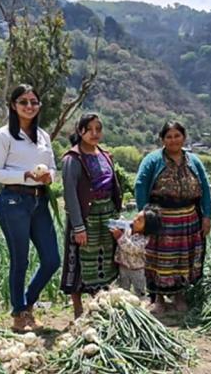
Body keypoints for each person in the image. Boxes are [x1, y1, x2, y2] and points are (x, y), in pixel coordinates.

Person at [0, 84, 60, 333]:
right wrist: (25, 175)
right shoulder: (3, 136)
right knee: (20, 259)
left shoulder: (43, 136)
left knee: (52, 259)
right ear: (13, 105)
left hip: (40, 201)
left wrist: (50, 177)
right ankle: (19, 313)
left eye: (34, 102)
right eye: (23, 102)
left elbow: (53, 167)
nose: (29, 106)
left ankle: (27, 302)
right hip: (13, 201)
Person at [135, 121, 211, 314]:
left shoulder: (193, 161)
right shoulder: (153, 160)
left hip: (188, 219)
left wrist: (207, 216)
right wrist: (145, 214)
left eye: (177, 136)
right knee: (159, 259)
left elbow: (205, 188)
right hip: (161, 220)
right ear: (162, 140)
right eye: (168, 137)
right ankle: (158, 299)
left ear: (184, 137)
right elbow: (140, 185)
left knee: (183, 259)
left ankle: (179, 296)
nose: (173, 140)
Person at [60, 113, 123, 318]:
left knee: (105, 258)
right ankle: (78, 308)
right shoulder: (73, 159)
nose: (95, 134)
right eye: (90, 130)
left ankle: (101, 305)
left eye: (98, 129)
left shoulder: (105, 155)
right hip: (85, 216)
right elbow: (70, 193)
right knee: (79, 259)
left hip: (106, 214)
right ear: (80, 131)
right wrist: (78, 226)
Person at [110, 205, 162, 297]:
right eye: (136, 216)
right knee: (123, 289)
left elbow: (132, 248)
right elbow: (123, 222)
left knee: (139, 290)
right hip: (123, 266)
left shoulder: (144, 240)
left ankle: (142, 301)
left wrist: (120, 237)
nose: (135, 220)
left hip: (137, 270)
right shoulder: (129, 228)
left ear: (146, 228)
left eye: (139, 220)